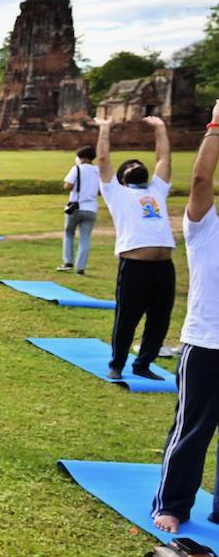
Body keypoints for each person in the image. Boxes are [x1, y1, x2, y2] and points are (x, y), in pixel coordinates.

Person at [152, 101, 219, 534]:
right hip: (207, 343)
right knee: (193, 431)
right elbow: (199, 178)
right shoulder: (204, 228)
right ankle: (173, 504)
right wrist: (215, 125)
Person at [96, 114, 174, 381]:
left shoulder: (157, 190)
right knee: (127, 318)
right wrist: (105, 129)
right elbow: (104, 161)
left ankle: (143, 364)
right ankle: (117, 364)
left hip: (164, 267)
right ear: (122, 179)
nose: (136, 165)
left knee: (160, 319)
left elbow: (164, 159)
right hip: (135, 267)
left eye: (139, 163)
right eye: (130, 165)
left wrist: (160, 128)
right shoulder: (116, 193)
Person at [60, 145, 101, 275]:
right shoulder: (98, 171)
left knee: (69, 233)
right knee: (85, 238)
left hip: (76, 207)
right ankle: (81, 267)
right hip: (91, 208)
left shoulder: (77, 169)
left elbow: (68, 185)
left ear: (82, 157)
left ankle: (68, 261)